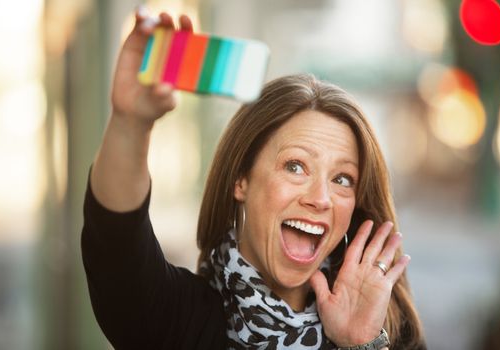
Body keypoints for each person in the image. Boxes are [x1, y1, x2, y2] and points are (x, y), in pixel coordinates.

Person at [81, 8, 427, 350]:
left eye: (342, 179)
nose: (320, 198)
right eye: (295, 166)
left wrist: (361, 345)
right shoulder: (175, 317)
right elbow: (116, 241)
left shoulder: (388, 331)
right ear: (241, 180)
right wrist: (130, 124)